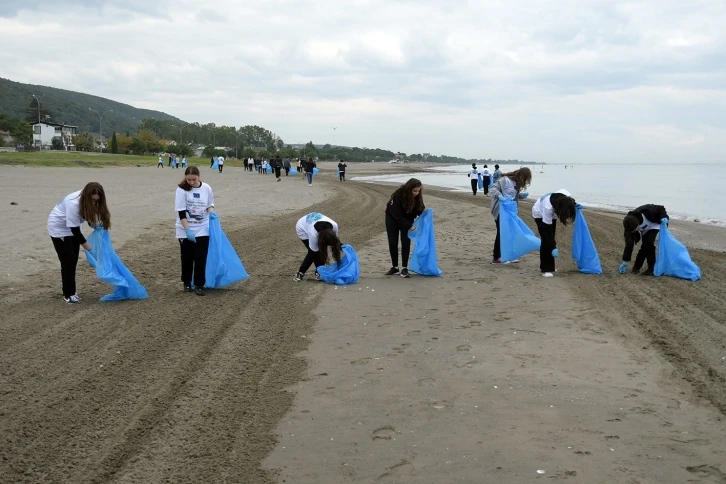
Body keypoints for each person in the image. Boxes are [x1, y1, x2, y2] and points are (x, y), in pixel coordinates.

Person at [47, 182, 111, 304]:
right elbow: (76, 232)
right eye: (92, 200)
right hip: (59, 229)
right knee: (68, 261)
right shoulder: (73, 203)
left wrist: (96, 225)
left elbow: (87, 216)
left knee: (73, 260)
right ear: (87, 196)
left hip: (73, 227)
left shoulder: (90, 199)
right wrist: (90, 249)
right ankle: (68, 294)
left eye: (96, 201)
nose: (94, 203)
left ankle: (72, 290)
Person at [175, 166, 215, 296]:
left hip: (203, 227)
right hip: (185, 228)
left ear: (199, 177)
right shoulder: (181, 190)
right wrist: (187, 230)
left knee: (200, 257)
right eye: (189, 180)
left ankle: (199, 284)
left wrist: (212, 213)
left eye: (194, 179)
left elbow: (209, 204)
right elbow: (181, 213)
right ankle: (187, 282)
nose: (191, 182)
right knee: (186, 258)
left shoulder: (206, 188)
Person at [489, 168, 532, 264]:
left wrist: (521, 196)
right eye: (524, 179)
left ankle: (509, 255)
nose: (524, 182)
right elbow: (492, 189)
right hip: (500, 210)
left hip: (511, 211)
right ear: (520, 176)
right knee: (502, 233)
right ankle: (496, 257)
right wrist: (500, 196)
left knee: (511, 232)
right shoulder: (505, 180)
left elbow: (512, 194)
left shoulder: (516, 183)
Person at [385, 178, 425, 278]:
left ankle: (404, 268)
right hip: (392, 217)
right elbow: (397, 214)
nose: (416, 193)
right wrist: (409, 226)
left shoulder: (417, 196)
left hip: (407, 218)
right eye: (414, 191)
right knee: (393, 242)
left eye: (418, 190)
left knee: (405, 241)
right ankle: (394, 267)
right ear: (409, 189)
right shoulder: (399, 195)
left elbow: (419, 209)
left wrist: (424, 213)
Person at [531, 189, 577, 277]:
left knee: (551, 238)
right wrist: (553, 247)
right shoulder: (547, 208)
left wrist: (575, 205)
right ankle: (545, 269)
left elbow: (570, 201)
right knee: (546, 240)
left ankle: (550, 266)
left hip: (552, 213)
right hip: (539, 214)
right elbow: (547, 232)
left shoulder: (565, 195)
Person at [620, 204, 669, 276]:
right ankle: (636, 267)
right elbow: (629, 244)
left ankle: (651, 268)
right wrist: (625, 261)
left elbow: (661, 208)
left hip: (655, 223)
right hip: (645, 229)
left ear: (637, 224)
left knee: (649, 244)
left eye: (634, 230)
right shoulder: (628, 225)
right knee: (645, 246)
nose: (633, 232)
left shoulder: (648, 211)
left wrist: (664, 217)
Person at [293, 212, 342, 282]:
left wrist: (341, 246)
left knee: (318, 251)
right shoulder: (313, 234)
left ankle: (318, 272)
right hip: (302, 226)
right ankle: (300, 273)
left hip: (314, 220)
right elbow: (312, 253)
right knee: (315, 252)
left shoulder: (334, 226)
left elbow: (336, 241)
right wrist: (302, 271)